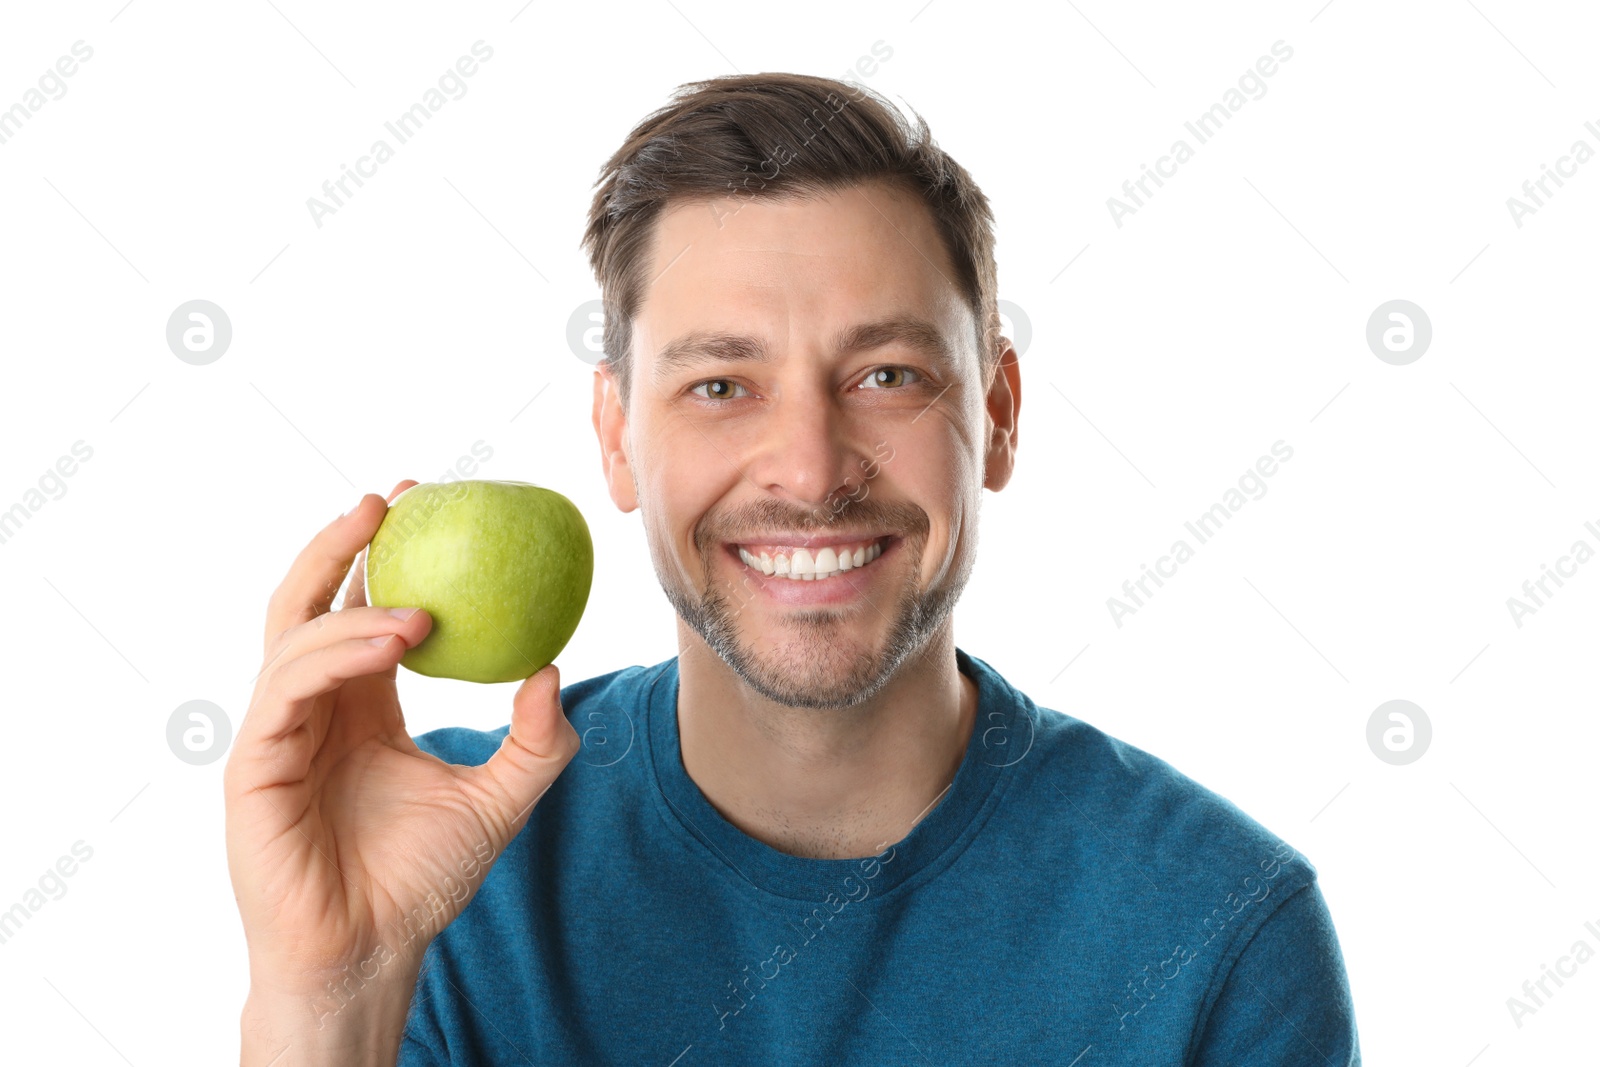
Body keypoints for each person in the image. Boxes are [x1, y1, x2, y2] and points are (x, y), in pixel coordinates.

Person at [227, 72, 1360, 1065]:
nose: (811, 470)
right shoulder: (444, 871)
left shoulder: (1217, 925)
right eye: (721, 385)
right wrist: (328, 996)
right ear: (618, 436)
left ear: (1000, 414)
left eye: (886, 375)